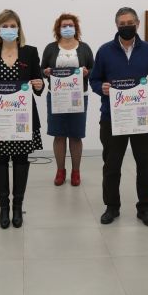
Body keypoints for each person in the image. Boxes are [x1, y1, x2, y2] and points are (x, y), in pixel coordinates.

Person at [89, 7, 148, 227]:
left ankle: (145, 208)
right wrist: (100, 88)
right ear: (116, 26)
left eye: (130, 22)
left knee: (146, 165)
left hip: (143, 118)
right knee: (111, 166)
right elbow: (94, 79)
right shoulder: (104, 51)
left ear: (138, 23)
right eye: (122, 24)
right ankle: (112, 207)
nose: (126, 26)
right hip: (113, 118)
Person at [0, 9, 44, 229]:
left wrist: (40, 84)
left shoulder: (30, 52)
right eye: (4, 26)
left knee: (21, 160)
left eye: (12, 26)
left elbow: (38, 85)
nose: (8, 29)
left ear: (19, 28)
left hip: (21, 117)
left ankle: (17, 207)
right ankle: (3, 207)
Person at [41, 13, 94, 186]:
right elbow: (41, 69)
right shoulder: (51, 48)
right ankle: (60, 171)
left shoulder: (84, 48)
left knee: (76, 135)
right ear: (58, 28)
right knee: (59, 135)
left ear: (76, 28)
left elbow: (94, 69)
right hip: (56, 96)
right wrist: (46, 72)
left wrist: (87, 72)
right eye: (64, 26)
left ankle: (76, 172)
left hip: (79, 97)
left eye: (71, 25)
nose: (68, 28)